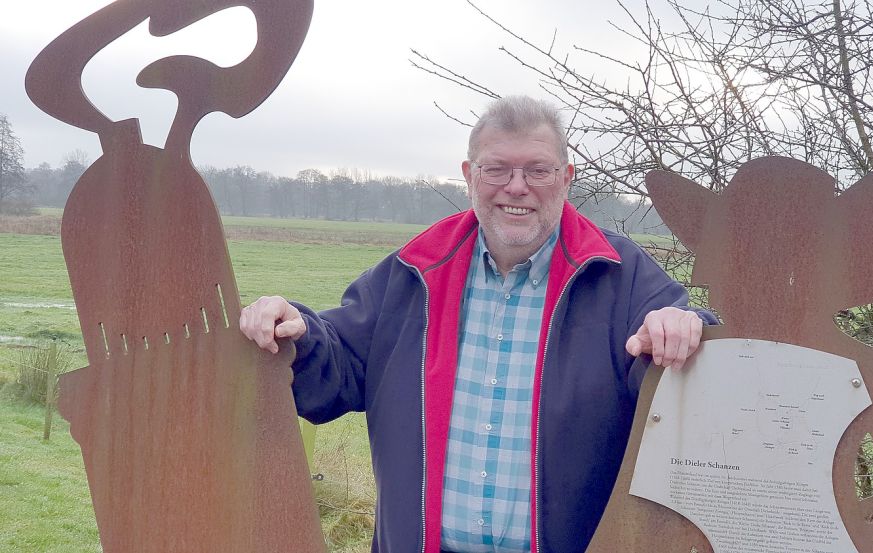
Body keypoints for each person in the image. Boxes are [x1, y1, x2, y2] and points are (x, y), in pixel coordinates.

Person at [239, 96, 716, 553]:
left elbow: (683, 363)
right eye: (496, 169)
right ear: (469, 175)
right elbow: (340, 360)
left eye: (538, 170)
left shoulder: (619, 274)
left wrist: (684, 327)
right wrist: (295, 332)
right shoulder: (414, 270)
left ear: (567, 177)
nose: (516, 186)